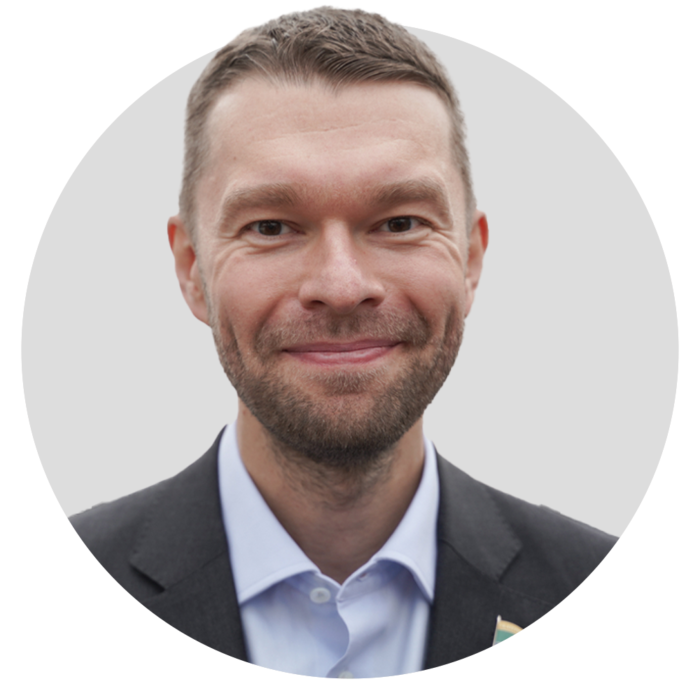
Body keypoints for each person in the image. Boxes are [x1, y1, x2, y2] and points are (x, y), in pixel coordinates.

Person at [71, 7, 616, 678]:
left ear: (471, 259)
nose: (341, 285)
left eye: (400, 222)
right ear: (191, 269)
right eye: (271, 227)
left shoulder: (593, 583)